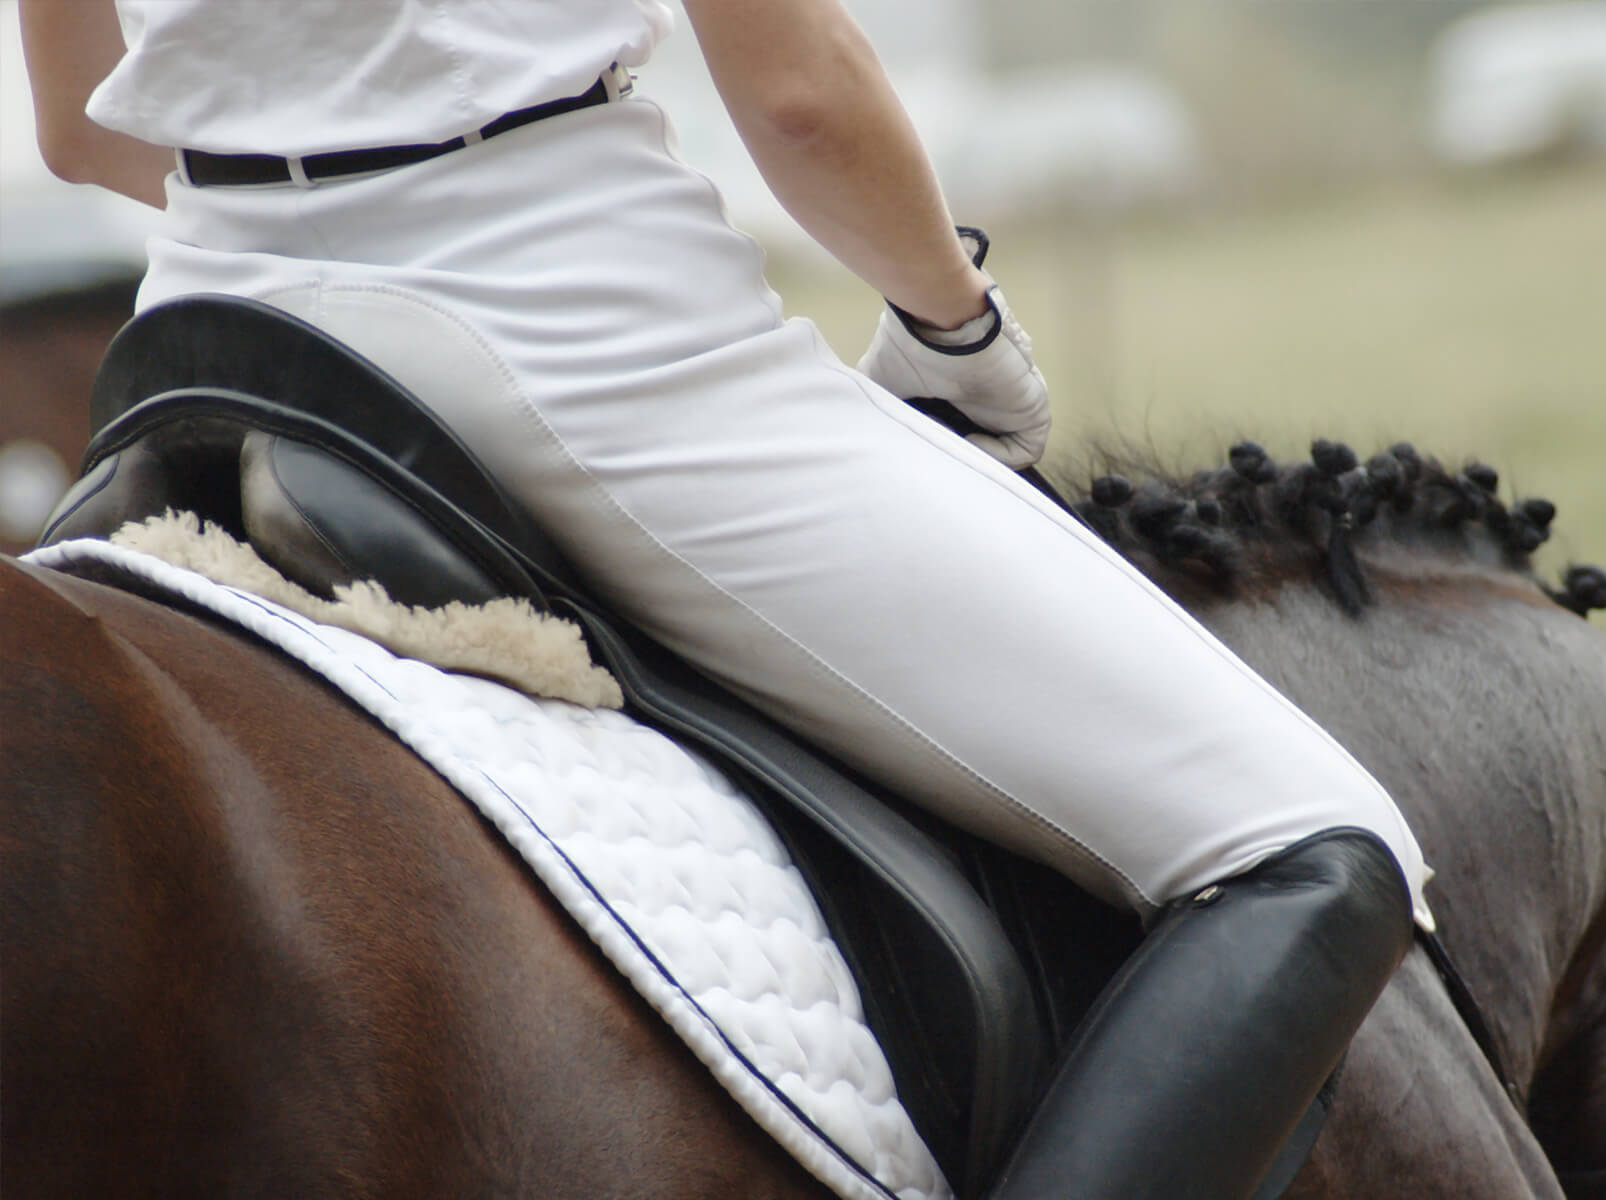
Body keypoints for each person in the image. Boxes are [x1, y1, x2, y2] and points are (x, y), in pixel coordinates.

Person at [22, 2, 1435, 1195]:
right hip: (575, 332)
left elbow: (80, 119)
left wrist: (309, 194)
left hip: (219, 330)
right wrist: (961, 332)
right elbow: (807, 97)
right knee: (1310, 843)